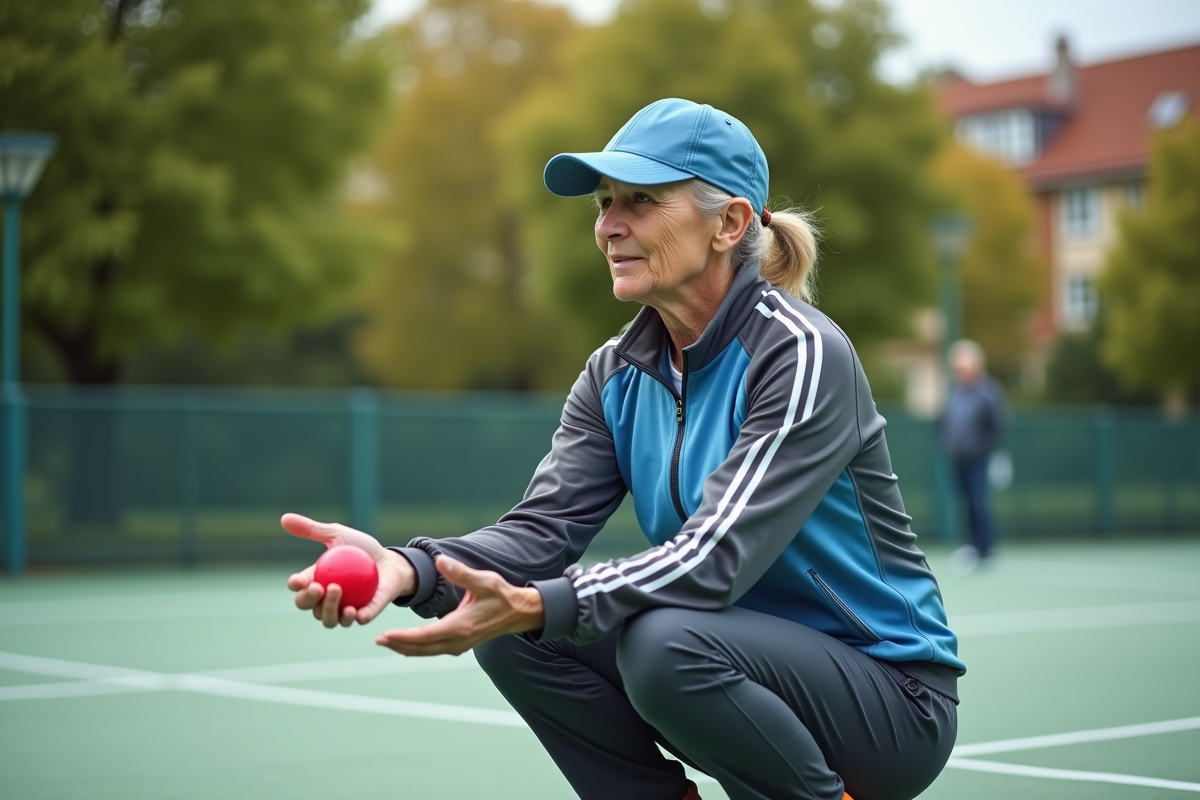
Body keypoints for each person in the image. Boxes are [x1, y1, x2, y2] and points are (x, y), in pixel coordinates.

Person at [283, 98, 963, 800]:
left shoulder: (801, 352)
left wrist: (548, 600)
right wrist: (409, 568)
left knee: (660, 644)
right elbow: (541, 531)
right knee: (516, 634)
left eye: (640, 201)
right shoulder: (615, 371)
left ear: (728, 224)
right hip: (726, 657)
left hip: (891, 699)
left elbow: (715, 557)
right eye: (605, 204)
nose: (609, 226)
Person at [940, 339, 1006, 572]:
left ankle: (986, 550)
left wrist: (979, 448)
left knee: (979, 503)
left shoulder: (988, 392)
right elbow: (945, 421)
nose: (959, 372)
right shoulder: (955, 392)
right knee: (966, 504)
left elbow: (998, 426)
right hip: (958, 459)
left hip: (978, 460)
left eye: (963, 368)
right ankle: (973, 548)